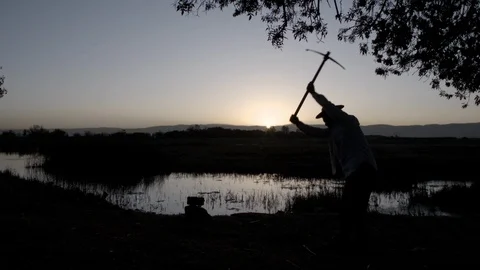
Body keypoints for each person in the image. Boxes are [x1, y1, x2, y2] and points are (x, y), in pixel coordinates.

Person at [290, 82, 378, 248]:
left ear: (332, 115)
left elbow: (327, 105)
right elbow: (313, 132)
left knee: (349, 207)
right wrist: (298, 123)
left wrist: (313, 93)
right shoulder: (333, 131)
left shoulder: (347, 122)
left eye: (324, 117)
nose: (323, 121)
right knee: (355, 209)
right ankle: (357, 241)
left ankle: (347, 241)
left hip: (362, 169)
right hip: (357, 172)